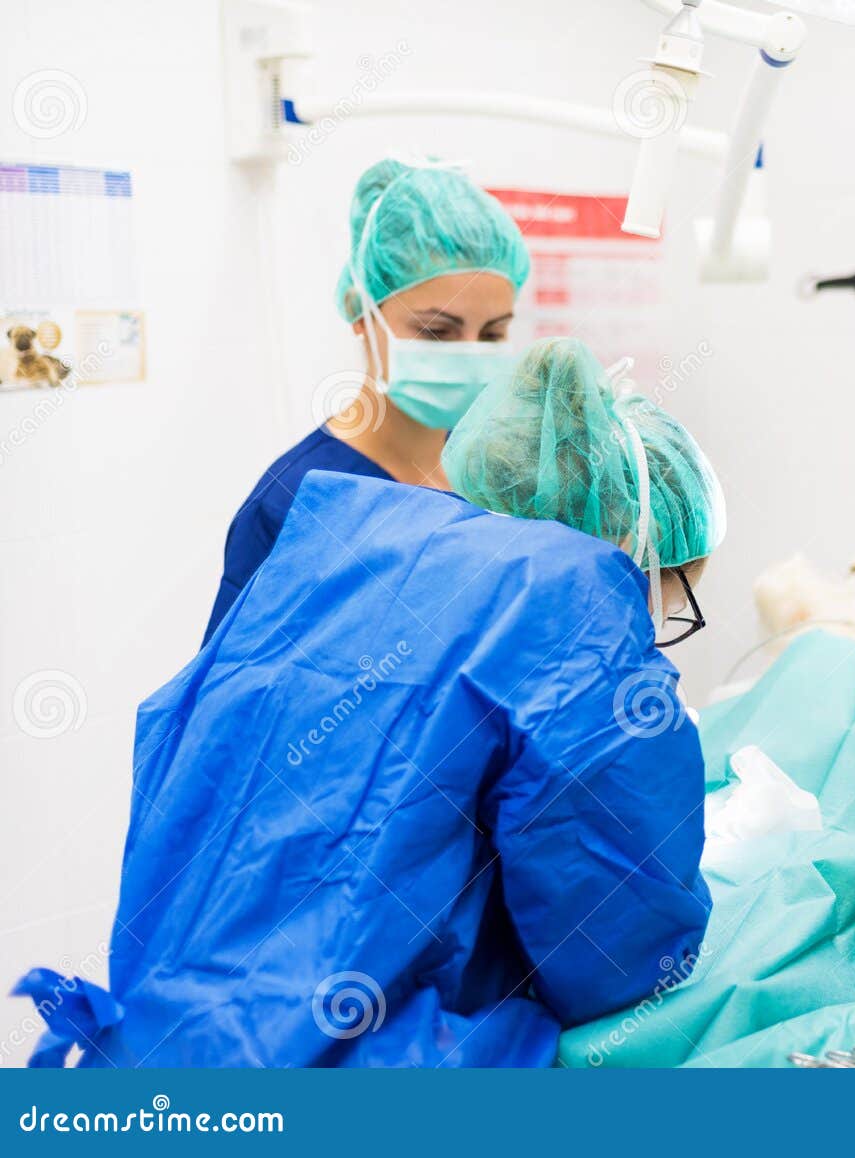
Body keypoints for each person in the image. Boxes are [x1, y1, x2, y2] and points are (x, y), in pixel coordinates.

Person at [15, 337, 724, 1067]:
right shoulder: (576, 607)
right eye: (669, 605)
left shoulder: (348, 543)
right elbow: (616, 951)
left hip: (161, 1035)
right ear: (631, 549)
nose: (653, 635)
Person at [202, 157, 530, 643]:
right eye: (437, 331)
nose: (468, 353)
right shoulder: (297, 500)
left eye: (493, 333)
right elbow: (234, 704)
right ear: (362, 313)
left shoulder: (499, 478)